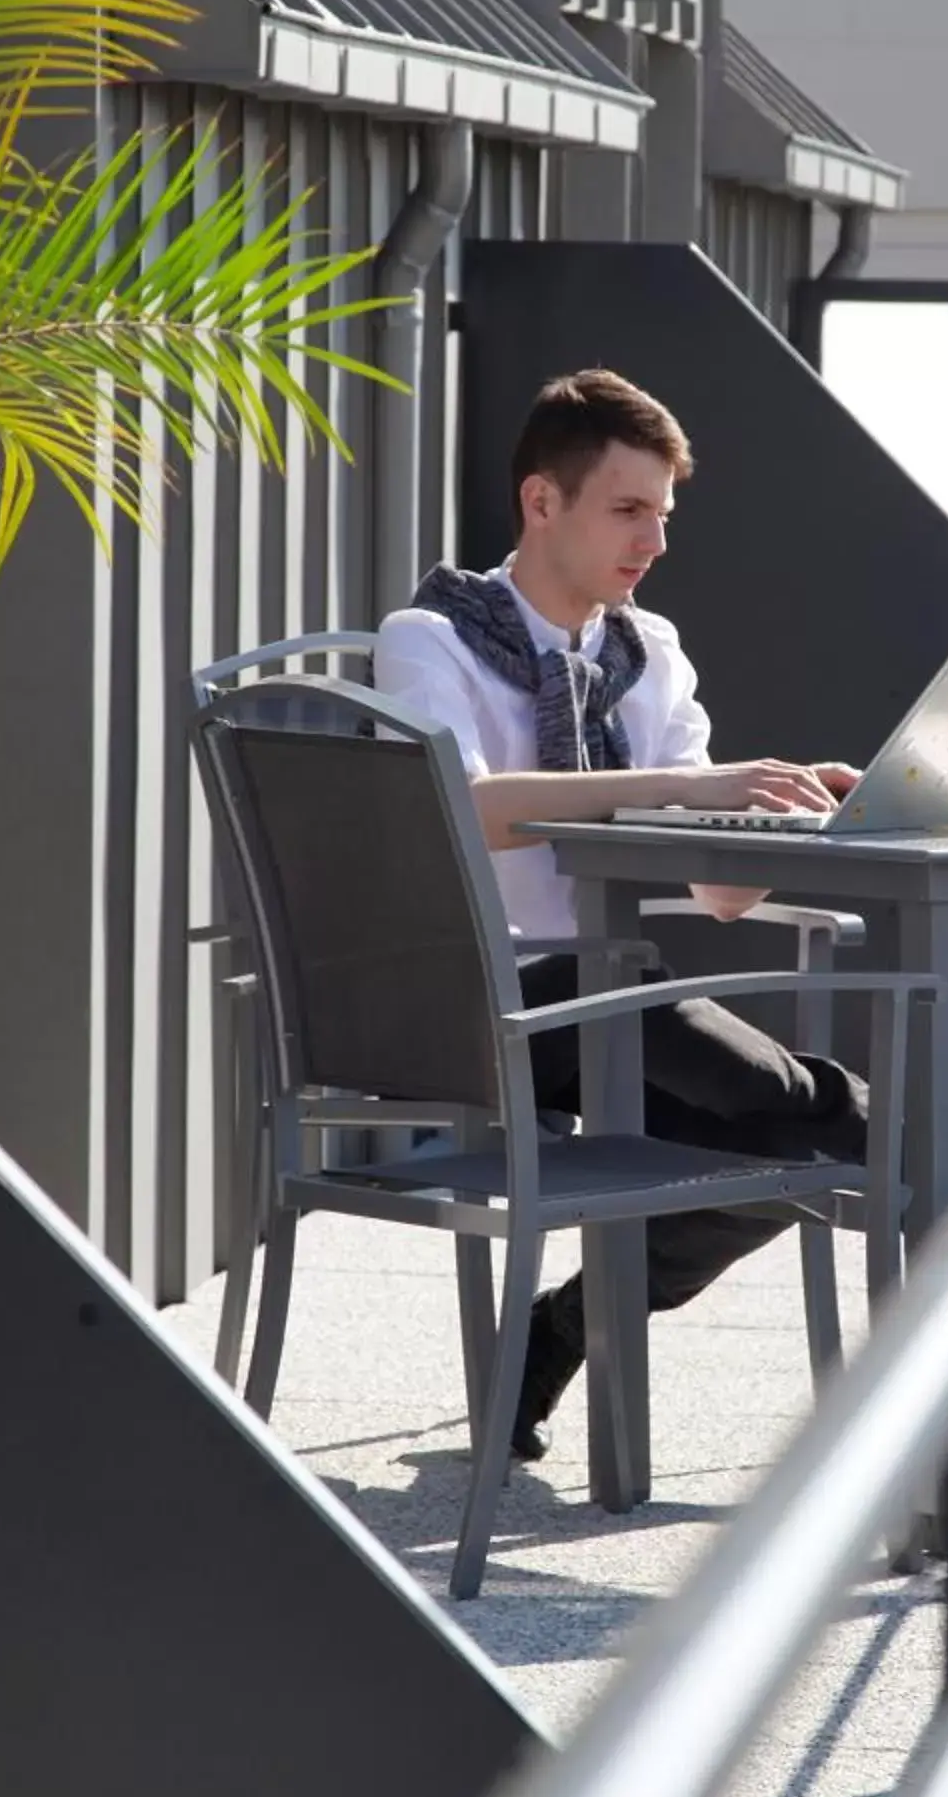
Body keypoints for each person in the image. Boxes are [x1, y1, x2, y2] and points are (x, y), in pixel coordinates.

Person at [374, 368, 873, 1463]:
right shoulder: (431, 639)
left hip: (604, 999)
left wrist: (787, 817)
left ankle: (560, 1328)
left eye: (663, 514)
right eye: (627, 508)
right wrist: (690, 789)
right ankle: (886, 1132)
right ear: (540, 502)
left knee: (789, 1152)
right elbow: (456, 811)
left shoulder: (647, 657)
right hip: (476, 999)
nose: (653, 540)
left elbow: (719, 895)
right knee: (841, 1130)